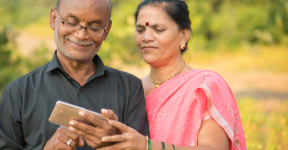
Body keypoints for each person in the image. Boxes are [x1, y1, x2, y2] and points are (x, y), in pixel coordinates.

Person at [71, 0, 247, 150]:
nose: (146, 37)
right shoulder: (131, 89)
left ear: (184, 36)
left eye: (158, 29)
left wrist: (147, 146)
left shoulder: (205, 86)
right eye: (140, 30)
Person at [0, 0, 149, 149]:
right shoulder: (18, 93)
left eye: (94, 27)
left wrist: (115, 145)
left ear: (106, 30)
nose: (81, 35)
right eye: (71, 23)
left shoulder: (130, 88)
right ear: (53, 19)